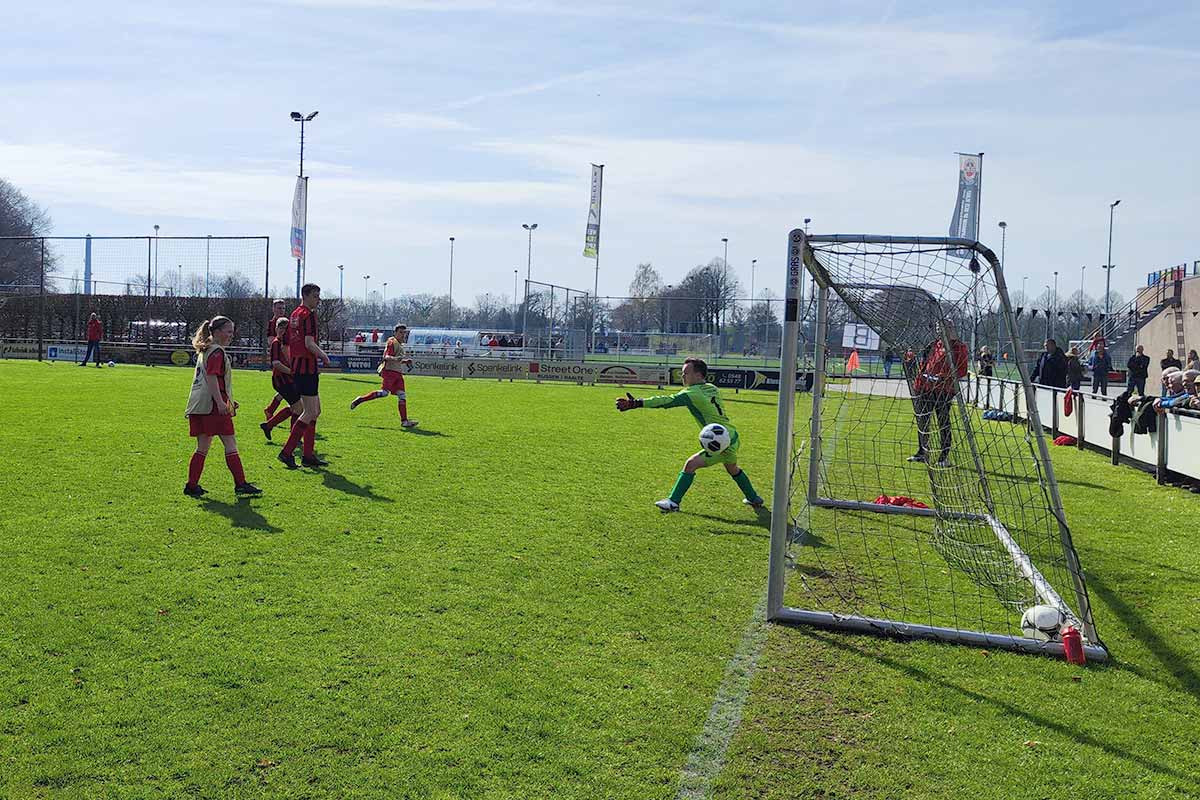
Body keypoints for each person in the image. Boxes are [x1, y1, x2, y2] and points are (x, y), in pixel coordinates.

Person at [615, 357, 764, 513]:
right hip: (732, 435)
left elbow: (667, 401)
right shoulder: (712, 388)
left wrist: (637, 403)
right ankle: (753, 498)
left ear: (699, 375)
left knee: (691, 464)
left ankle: (673, 502)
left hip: (720, 441)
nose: (682, 376)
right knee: (732, 468)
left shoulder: (692, 393)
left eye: (686, 373)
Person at [183, 316, 261, 497]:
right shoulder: (217, 351)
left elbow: (211, 380)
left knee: (202, 447)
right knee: (230, 444)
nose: (231, 335)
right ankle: (240, 483)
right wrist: (220, 402)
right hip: (212, 406)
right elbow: (211, 377)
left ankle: (191, 485)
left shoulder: (206, 349)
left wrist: (228, 401)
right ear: (217, 332)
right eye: (228, 331)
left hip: (199, 406)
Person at [278, 283, 331, 469]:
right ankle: (287, 452)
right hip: (307, 368)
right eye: (316, 295)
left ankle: (308, 455)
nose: (318, 299)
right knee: (309, 411)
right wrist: (323, 355)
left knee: (315, 410)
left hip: (300, 367)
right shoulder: (308, 315)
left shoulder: (294, 314)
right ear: (306, 295)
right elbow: (309, 343)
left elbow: (287, 344)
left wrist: (293, 360)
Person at [906, 326, 969, 467]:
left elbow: (962, 370)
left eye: (942, 327)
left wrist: (943, 377)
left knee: (943, 422)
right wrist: (919, 381)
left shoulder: (959, 347)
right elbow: (925, 364)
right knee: (922, 420)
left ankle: (944, 457)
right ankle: (922, 452)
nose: (939, 330)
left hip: (944, 391)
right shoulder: (933, 344)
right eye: (938, 328)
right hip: (925, 389)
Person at [350, 323, 419, 427]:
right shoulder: (392, 342)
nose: (403, 335)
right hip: (390, 372)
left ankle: (404, 421)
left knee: (402, 396)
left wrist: (405, 361)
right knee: (384, 393)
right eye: (401, 332)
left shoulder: (399, 344)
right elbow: (386, 356)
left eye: (404, 333)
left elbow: (396, 359)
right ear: (395, 333)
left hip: (398, 373)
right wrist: (396, 359)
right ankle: (361, 399)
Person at [260, 317, 302, 441]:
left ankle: (269, 425)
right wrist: (292, 372)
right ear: (276, 329)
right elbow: (276, 363)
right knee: (299, 408)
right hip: (281, 380)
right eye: (281, 328)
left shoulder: (288, 344)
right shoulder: (276, 343)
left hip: (288, 379)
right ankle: (294, 436)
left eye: (286, 328)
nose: (283, 330)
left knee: (298, 408)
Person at [262, 299, 289, 419]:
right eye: (279, 308)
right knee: (291, 388)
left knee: (288, 389)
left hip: (287, 359)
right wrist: (280, 347)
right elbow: (270, 340)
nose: (281, 311)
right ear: (273, 309)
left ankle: (270, 410)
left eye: (283, 308)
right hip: (280, 360)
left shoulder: (286, 322)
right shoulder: (273, 323)